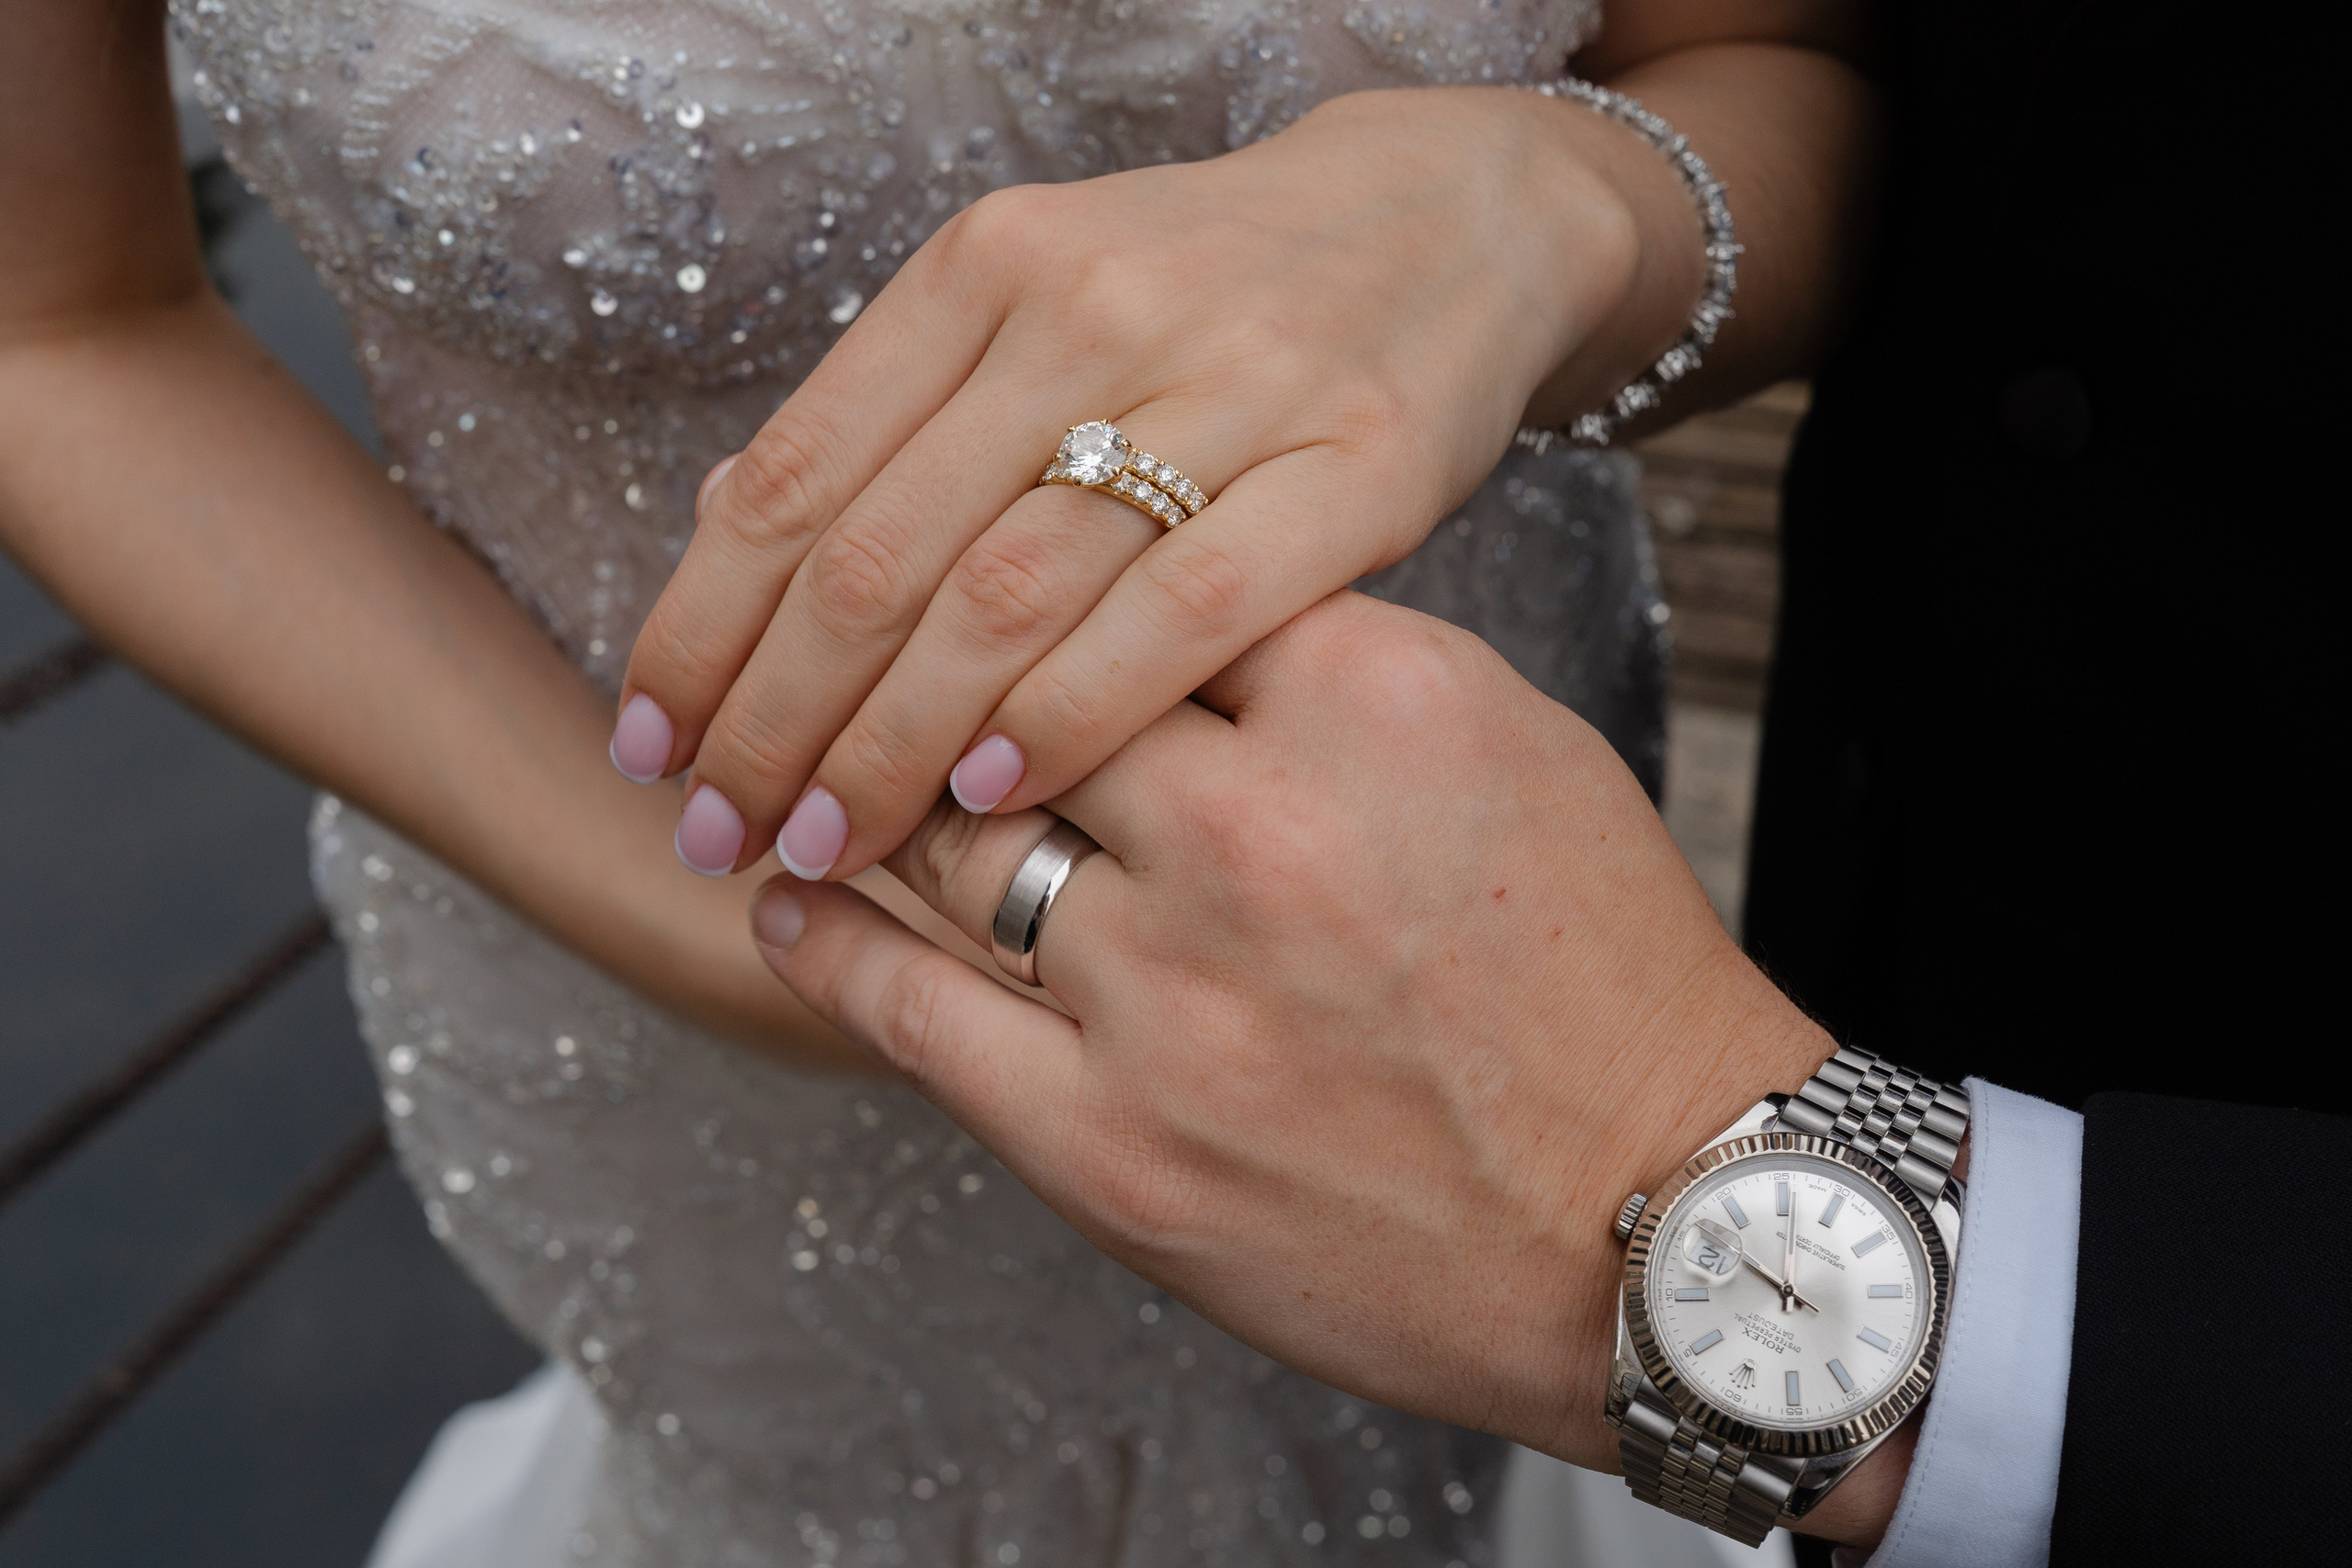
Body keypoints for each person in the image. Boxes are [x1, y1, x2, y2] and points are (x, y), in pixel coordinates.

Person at [0, 1, 1883, 1562]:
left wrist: (1557, 199)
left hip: (1475, 942)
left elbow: (1789, 81)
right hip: (694, 1002)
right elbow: (61, 325)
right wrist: (712, 914)